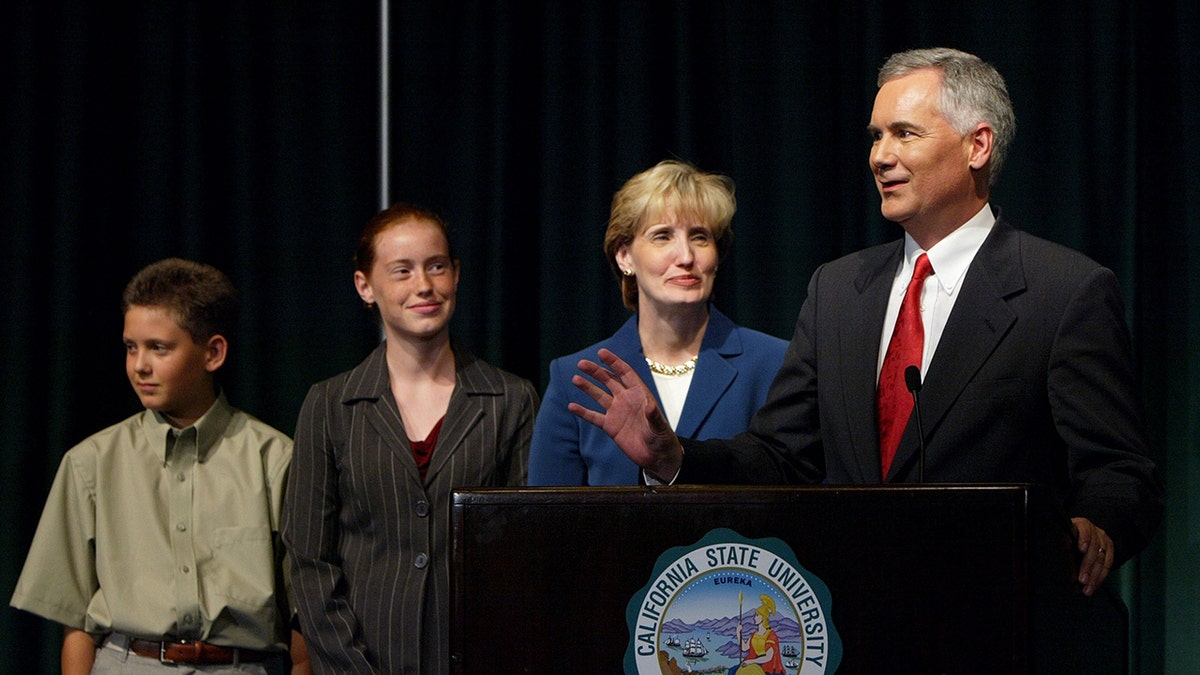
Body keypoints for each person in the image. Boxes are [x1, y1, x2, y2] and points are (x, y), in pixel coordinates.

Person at [568, 48, 1164, 598]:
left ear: (977, 146)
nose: (880, 155)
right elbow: (781, 455)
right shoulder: (839, 290)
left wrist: (1098, 524)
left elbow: (1120, 469)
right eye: (876, 136)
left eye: (905, 133)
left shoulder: (1064, 291)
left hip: (1000, 614)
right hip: (856, 618)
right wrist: (674, 458)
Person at [10, 258, 306, 674]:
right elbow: (75, 622)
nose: (139, 366)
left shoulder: (274, 460)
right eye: (131, 347)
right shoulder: (91, 463)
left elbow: (303, 622)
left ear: (213, 353)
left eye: (159, 348)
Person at [282, 203, 539, 674]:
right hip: (362, 659)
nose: (424, 285)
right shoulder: (329, 405)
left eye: (436, 266)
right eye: (402, 271)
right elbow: (309, 559)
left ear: (456, 275)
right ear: (365, 286)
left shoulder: (511, 399)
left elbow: (526, 556)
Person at [529, 159, 787, 485]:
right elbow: (547, 524)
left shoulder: (775, 364)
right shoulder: (575, 379)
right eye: (662, 236)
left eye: (700, 237)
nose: (685, 256)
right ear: (625, 256)